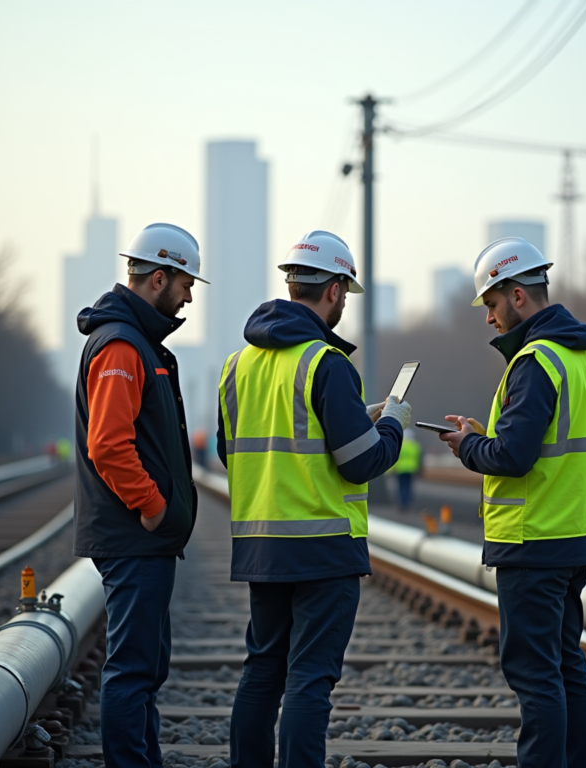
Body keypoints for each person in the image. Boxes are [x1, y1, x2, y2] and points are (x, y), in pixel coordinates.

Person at [217, 230, 411, 768]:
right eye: (344, 291)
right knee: (309, 679)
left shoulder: (237, 368)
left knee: (261, 671)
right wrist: (392, 424)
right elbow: (361, 462)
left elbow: (230, 450)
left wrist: (354, 417)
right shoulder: (326, 364)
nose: (344, 302)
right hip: (323, 548)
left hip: (261, 546)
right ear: (332, 290)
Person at [439, 237, 586, 768]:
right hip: (577, 535)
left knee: (536, 676)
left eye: (491, 305)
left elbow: (514, 456)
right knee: (566, 667)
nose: (489, 320)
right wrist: (484, 433)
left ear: (517, 296)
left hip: (533, 541)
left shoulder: (536, 362)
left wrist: (468, 445)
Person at [73, 223, 207, 768]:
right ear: (159, 277)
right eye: (184, 283)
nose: (189, 295)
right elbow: (108, 445)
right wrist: (153, 508)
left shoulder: (135, 341)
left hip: (140, 539)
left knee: (146, 666)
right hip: (133, 537)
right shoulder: (122, 346)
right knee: (132, 670)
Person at [393, 428, 422, 509]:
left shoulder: (401, 445)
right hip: (411, 469)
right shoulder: (415, 445)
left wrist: (392, 469)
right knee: (408, 486)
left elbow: (396, 458)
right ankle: (408, 502)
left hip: (400, 469)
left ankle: (402, 503)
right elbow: (419, 458)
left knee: (401, 487)